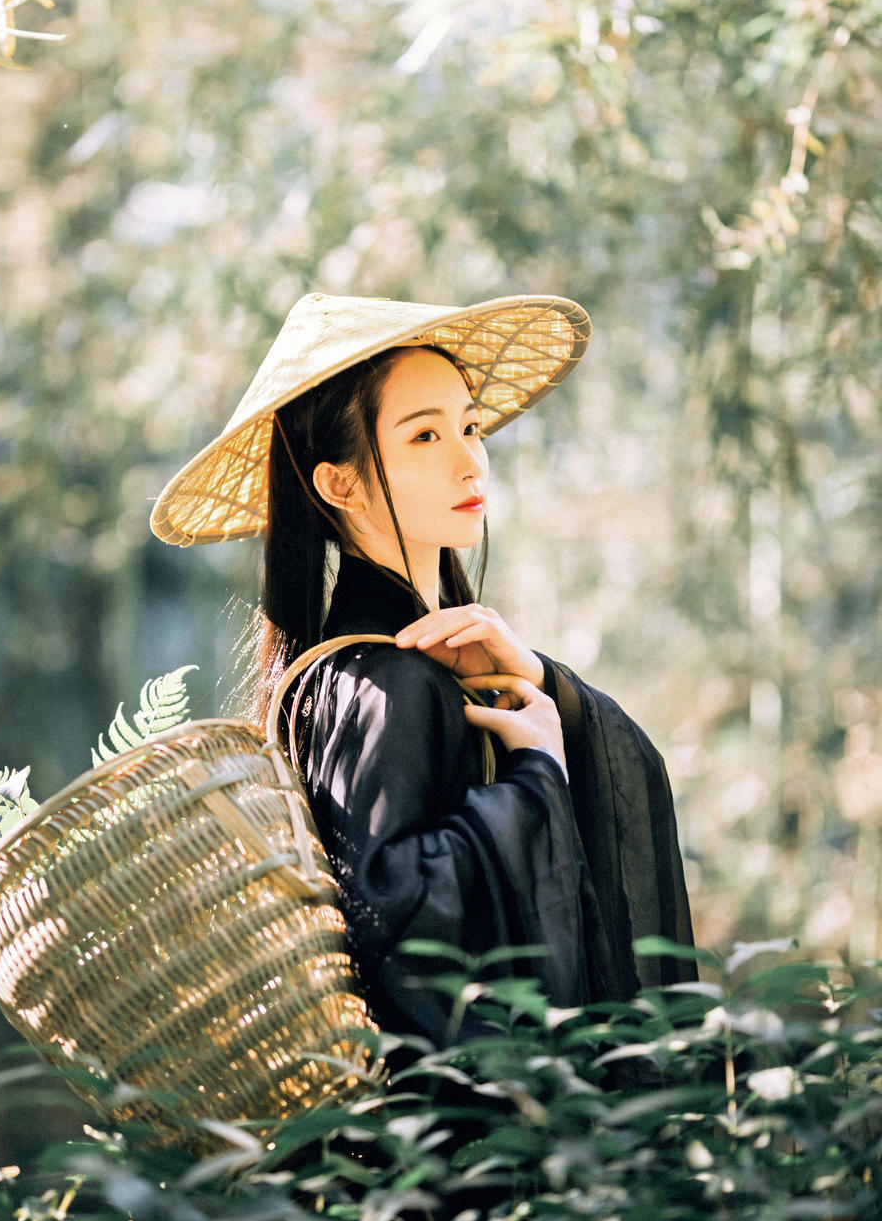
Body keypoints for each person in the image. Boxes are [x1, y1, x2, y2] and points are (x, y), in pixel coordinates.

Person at [150, 291, 694, 1044]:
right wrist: (536, 770)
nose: (470, 458)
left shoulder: (403, 670)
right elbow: (397, 920)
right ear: (338, 483)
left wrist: (540, 682)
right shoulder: (385, 680)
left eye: (469, 427)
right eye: (425, 437)